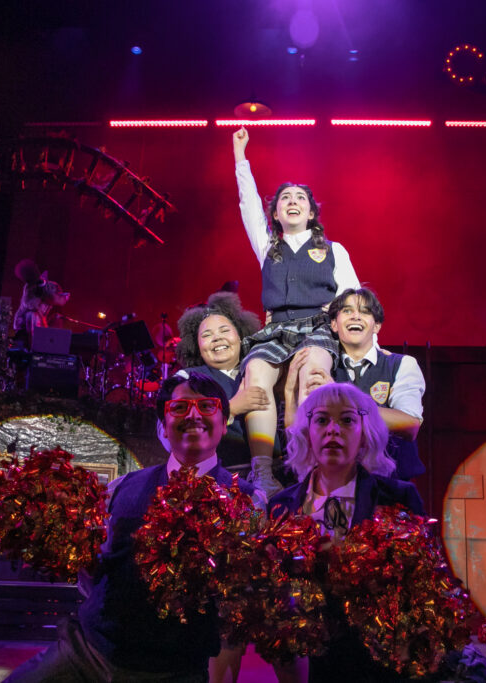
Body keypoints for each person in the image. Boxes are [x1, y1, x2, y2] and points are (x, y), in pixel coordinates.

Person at [4, 374, 254, 683]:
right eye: (179, 407)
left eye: (206, 406)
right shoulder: (122, 487)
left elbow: (241, 603)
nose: (193, 415)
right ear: (163, 425)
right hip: (88, 652)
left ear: (225, 420)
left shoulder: (248, 500)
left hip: (173, 670)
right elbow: (94, 572)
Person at [232, 127, 361, 497]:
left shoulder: (334, 250)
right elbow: (248, 203)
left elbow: (353, 300)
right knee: (255, 371)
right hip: (277, 329)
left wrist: (366, 345)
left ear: (310, 212)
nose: (292, 200)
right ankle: (262, 470)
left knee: (312, 372)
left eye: (300, 197)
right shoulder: (267, 245)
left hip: (318, 325)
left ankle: (308, 463)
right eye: (285, 197)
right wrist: (241, 157)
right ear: (276, 212)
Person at [270, 383, 424, 682]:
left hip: (377, 665)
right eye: (322, 419)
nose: (333, 430)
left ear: (365, 433)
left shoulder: (398, 498)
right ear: (307, 431)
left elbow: (421, 588)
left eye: (347, 420)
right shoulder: (280, 505)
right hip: (306, 665)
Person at [284, 287, 426, 481]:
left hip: (390, 485)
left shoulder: (401, 364)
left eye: (365, 311)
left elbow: (410, 425)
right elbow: (298, 433)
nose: (356, 316)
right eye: (347, 311)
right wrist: (289, 393)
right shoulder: (322, 368)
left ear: (376, 326)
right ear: (334, 324)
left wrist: (341, 397)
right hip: (333, 485)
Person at [175, 291, 269, 478]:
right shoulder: (186, 379)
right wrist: (231, 408)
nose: (217, 338)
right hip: (218, 481)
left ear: (241, 335)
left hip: (275, 479)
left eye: (225, 331)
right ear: (196, 346)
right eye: (207, 335)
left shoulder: (263, 369)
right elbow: (170, 435)